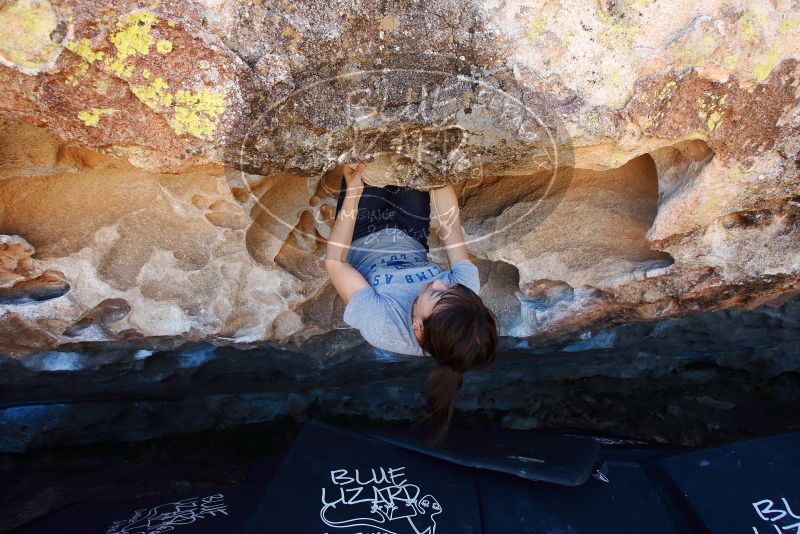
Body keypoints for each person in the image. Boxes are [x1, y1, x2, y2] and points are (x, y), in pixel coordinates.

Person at [324, 163, 499, 445]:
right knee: (411, 157)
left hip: (360, 233)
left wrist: (354, 193)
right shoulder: (465, 300)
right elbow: (449, 227)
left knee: (364, 162)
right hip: (410, 232)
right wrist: (438, 175)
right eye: (450, 287)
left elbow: (335, 262)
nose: (441, 282)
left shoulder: (383, 326)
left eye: (436, 294)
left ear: (418, 326)